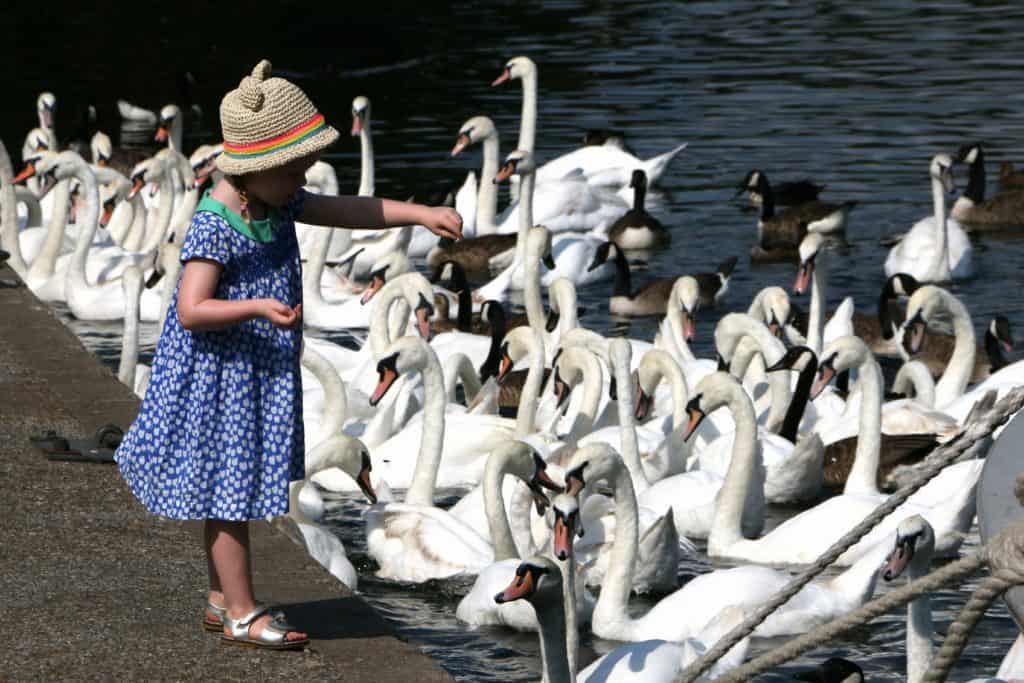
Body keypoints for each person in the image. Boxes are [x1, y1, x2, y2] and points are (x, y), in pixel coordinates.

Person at [115, 59, 461, 650]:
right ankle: (243, 613)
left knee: (225, 490)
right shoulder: (215, 223)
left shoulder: (271, 201)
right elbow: (193, 306)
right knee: (228, 494)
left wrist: (421, 214)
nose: (302, 182)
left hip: (248, 372)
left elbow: (351, 210)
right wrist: (254, 307)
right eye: (294, 169)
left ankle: (223, 598)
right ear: (256, 169)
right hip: (218, 377)